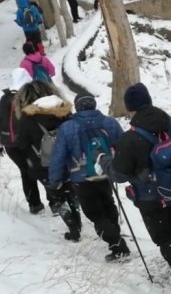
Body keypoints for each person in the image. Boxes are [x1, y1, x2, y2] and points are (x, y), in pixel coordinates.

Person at [103, 83, 171, 292]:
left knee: (164, 237)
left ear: (130, 108)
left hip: (150, 197)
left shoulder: (130, 138)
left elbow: (118, 175)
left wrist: (105, 163)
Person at [48, 92, 131, 261]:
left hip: (81, 178)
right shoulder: (109, 122)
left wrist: (54, 180)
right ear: (93, 105)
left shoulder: (68, 127)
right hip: (106, 172)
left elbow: (58, 156)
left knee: (95, 214)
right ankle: (115, 234)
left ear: (77, 107)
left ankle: (117, 246)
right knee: (108, 205)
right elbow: (124, 145)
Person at [14, 80, 82, 242]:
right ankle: (77, 217)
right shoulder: (64, 111)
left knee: (56, 196)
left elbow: (21, 144)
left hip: (43, 165)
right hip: (68, 160)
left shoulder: (27, 118)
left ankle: (72, 227)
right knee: (71, 191)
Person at [0, 68, 44, 214]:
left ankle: (34, 204)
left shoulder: (1, 96)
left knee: (25, 172)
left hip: (11, 143)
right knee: (43, 168)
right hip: (33, 141)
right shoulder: (34, 92)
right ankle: (56, 201)